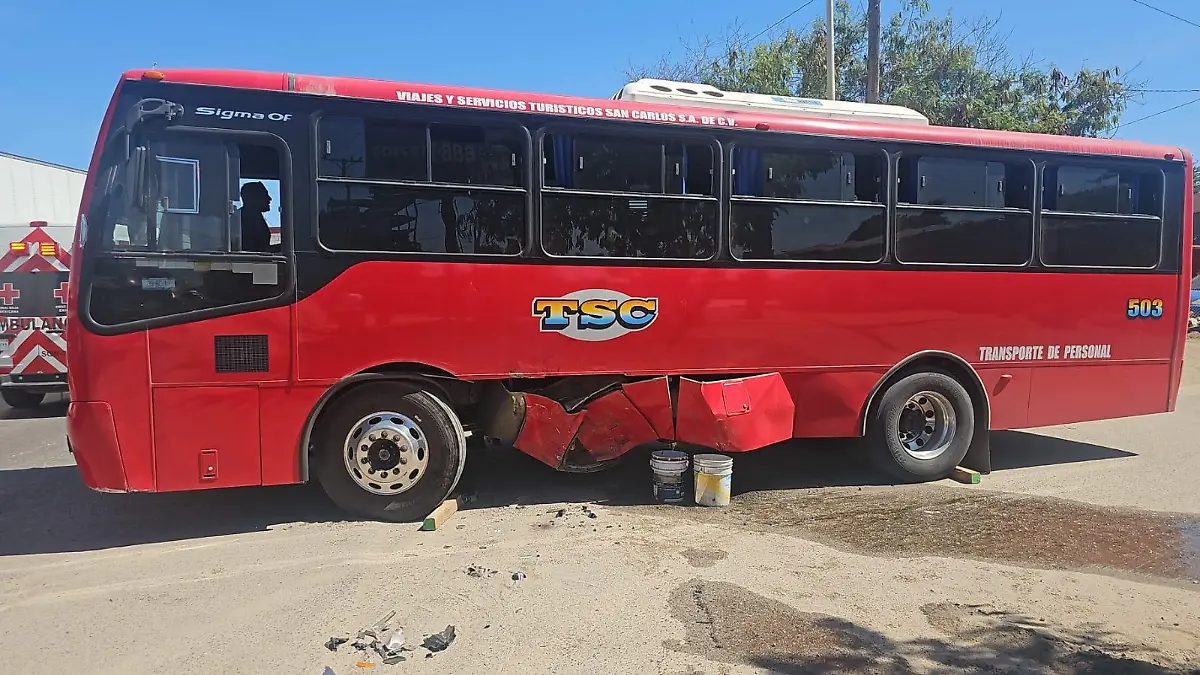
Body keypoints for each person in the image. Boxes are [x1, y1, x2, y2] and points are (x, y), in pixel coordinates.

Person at [238, 181, 273, 253]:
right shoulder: (246, 219)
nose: (269, 199)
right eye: (265, 195)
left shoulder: (252, 216)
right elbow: (255, 250)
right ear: (254, 198)